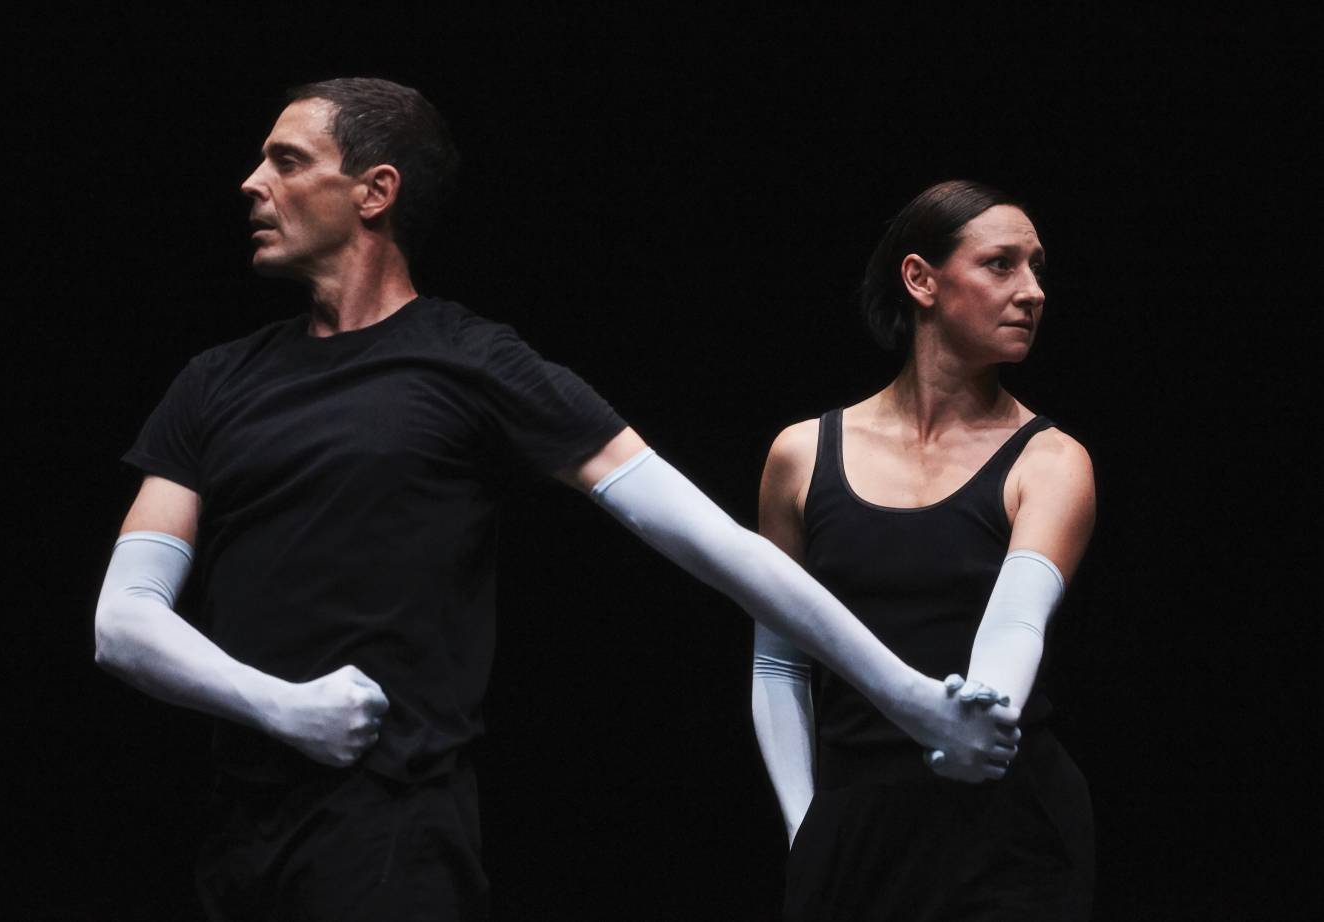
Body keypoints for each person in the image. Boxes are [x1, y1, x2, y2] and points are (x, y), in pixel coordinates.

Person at [93, 81, 1019, 921]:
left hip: (389, 833)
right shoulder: (214, 383)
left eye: (286, 161)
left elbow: (711, 540)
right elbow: (123, 622)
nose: (252, 183)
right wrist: (278, 708)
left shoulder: (473, 362)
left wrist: (907, 698)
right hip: (236, 838)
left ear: (375, 192)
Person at [752, 180, 1097, 920]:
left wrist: (979, 722)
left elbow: (1017, 623)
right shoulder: (803, 456)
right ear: (921, 280)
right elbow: (778, 662)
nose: (1032, 291)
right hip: (856, 823)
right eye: (1002, 264)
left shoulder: (1051, 460)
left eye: (1038, 268)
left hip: (1005, 826)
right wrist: (803, 824)